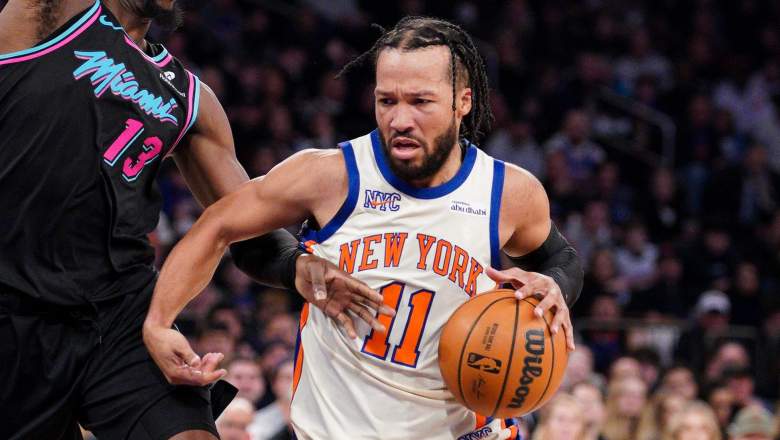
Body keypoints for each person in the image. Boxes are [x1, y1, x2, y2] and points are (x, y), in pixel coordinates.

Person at [143, 16, 583, 440]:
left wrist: (554, 285)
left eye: (421, 101)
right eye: (386, 100)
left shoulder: (509, 193)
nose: (399, 120)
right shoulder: (330, 175)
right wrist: (161, 321)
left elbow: (560, 259)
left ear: (462, 102)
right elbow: (219, 223)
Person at [0, 1, 372, 438]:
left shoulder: (189, 98)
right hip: (14, 306)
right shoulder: (48, 14)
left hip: (120, 312)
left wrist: (298, 265)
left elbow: (244, 224)